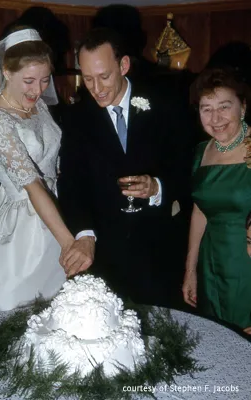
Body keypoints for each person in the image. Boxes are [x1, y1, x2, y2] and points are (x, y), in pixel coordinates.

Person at [0, 28, 92, 319]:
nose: (37, 90)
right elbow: (33, 186)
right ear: (6, 71)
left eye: (44, 80)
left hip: (55, 216)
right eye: (28, 81)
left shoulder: (38, 105)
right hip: (22, 232)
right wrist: (69, 243)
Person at [57, 28, 193, 306]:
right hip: (105, 257)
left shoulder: (166, 104)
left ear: (124, 65)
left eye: (104, 76)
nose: (96, 88)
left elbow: (186, 166)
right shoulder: (75, 119)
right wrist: (84, 234)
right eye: (88, 78)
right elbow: (71, 183)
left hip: (159, 252)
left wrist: (158, 187)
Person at [183, 67, 251, 334]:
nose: (216, 118)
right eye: (206, 108)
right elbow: (201, 210)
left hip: (245, 263)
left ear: (242, 107)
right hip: (211, 265)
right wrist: (190, 269)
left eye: (224, 107)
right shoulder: (202, 152)